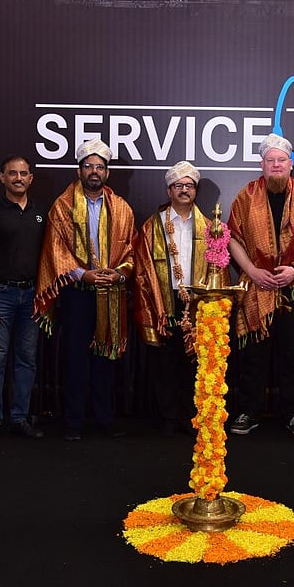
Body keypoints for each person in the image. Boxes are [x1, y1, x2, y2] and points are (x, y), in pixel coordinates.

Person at [34, 138, 136, 441]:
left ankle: (105, 419)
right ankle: (73, 422)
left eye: (100, 167)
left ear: (107, 173)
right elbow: (55, 250)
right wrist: (83, 275)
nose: (94, 171)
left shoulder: (122, 208)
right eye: (89, 166)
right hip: (76, 293)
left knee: (105, 357)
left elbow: (132, 250)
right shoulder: (63, 206)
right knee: (75, 358)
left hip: (111, 292)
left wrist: (118, 273)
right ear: (79, 170)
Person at [227, 133, 294, 437]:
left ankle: (293, 412)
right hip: (256, 286)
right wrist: (252, 271)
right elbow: (232, 238)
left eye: (281, 160)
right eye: (270, 160)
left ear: (290, 164)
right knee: (253, 354)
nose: (276, 165)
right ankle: (249, 411)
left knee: (290, 353)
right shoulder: (246, 197)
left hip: (290, 289)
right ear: (262, 165)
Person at [132, 161, 210, 437]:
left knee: (193, 360)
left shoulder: (208, 226)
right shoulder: (153, 227)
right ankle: (167, 417)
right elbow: (142, 269)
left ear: (195, 191)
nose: (184, 190)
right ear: (169, 190)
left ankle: (189, 416)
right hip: (163, 298)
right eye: (178, 185)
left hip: (196, 300)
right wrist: (152, 303)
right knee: (164, 361)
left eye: (189, 186)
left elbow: (218, 268)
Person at [0, 155, 47, 445]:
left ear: (31, 178)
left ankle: (19, 418)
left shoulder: (42, 212)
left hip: (32, 296)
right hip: (0, 295)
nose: (18, 178)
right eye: (12, 173)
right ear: (2, 177)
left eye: (23, 173)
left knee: (27, 360)